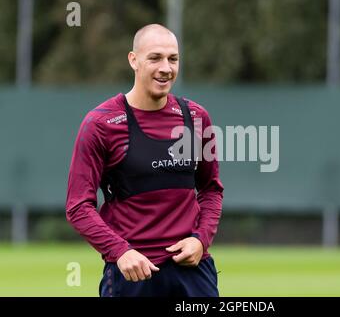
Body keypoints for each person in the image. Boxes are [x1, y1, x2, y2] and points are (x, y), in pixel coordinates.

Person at [66, 24, 224, 297]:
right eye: (155, 58)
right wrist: (120, 251)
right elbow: (78, 206)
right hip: (132, 275)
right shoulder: (100, 124)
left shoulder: (197, 118)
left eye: (173, 59)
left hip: (193, 274)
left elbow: (211, 190)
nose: (166, 68)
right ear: (133, 60)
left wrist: (201, 240)